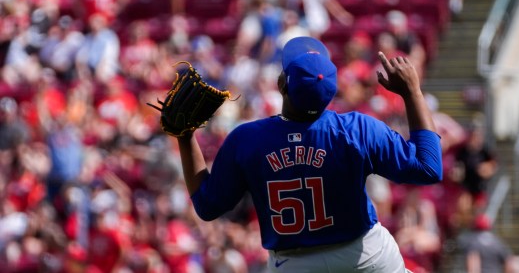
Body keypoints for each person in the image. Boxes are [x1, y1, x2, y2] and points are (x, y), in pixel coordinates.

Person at [174, 36, 443, 272]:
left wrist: (186, 138)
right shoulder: (358, 129)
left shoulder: (247, 139)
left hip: (294, 264)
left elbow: (207, 207)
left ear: (282, 85)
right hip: (363, 256)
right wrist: (412, 92)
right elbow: (428, 168)